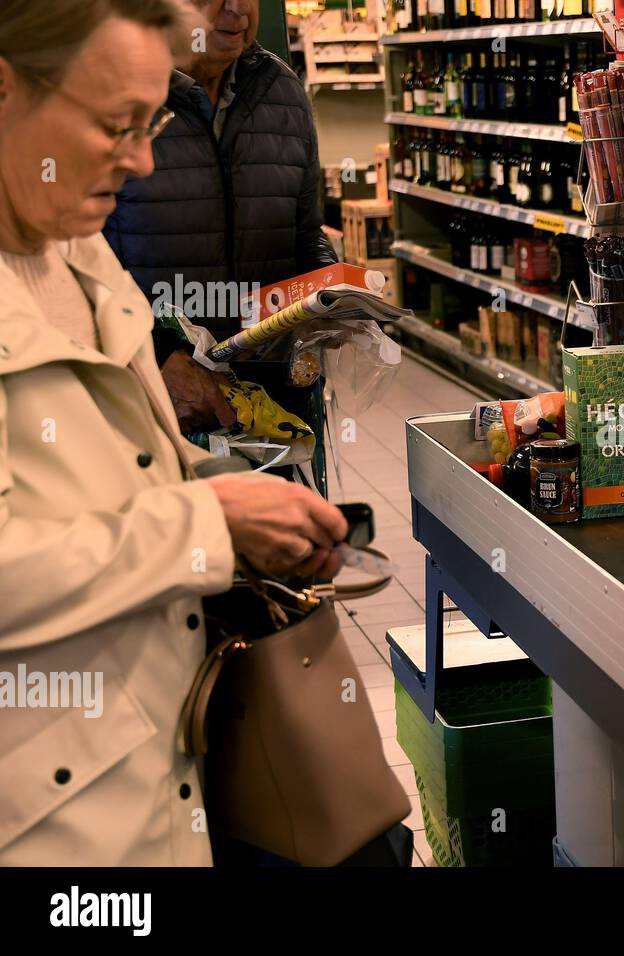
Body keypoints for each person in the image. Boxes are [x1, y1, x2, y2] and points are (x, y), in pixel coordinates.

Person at [0, 0, 348, 865]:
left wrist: (232, 492)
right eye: (116, 125)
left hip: (148, 777)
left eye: (150, 121)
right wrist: (208, 526)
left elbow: (112, 459)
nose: (144, 159)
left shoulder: (70, 247)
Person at [105, 0, 338, 433]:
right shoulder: (110, 93)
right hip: (150, 402)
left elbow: (305, 232)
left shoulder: (281, 92)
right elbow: (72, 270)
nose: (237, 8)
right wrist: (154, 356)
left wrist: (334, 290)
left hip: (271, 400)